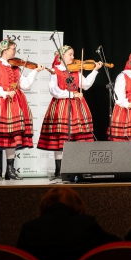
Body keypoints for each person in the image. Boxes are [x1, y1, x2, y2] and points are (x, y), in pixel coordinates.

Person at [16, 186, 119, 260]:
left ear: (44, 204)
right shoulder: (87, 225)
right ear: (77, 204)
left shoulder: (29, 228)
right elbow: (117, 246)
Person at [0, 38, 44, 181]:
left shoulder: (16, 67)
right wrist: (4, 92)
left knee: (12, 135)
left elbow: (25, 85)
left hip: (15, 103)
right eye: (13, 49)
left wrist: (35, 71)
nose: (15, 52)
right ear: (5, 50)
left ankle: (10, 170)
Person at [37, 45, 101, 179]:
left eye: (73, 54)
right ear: (61, 56)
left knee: (79, 137)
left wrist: (95, 70)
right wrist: (71, 94)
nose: (73, 57)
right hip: (62, 105)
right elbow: (54, 90)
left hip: (77, 106)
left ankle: (77, 167)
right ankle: (59, 169)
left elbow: (85, 85)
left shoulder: (76, 70)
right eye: (70, 54)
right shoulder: (55, 70)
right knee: (60, 137)